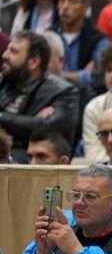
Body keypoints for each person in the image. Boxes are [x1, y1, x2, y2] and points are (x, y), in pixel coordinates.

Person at [0, 31, 79, 163]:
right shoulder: (3, 82)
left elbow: (47, 130)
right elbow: (35, 126)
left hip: (32, 162)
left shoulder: (63, 92)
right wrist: (30, 122)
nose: (4, 55)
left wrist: (2, 117)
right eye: (7, 49)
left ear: (34, 61)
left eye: (13, 52)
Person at [54, 0, 109, 89]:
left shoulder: (99, 40)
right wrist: (79, 75)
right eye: (62, 1)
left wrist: (59, 75)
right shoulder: (49, 35)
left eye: (72, 1)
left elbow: (96, 77)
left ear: (86, 6)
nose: (65, 7)